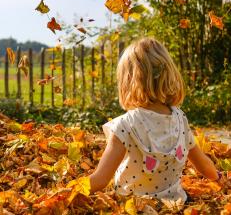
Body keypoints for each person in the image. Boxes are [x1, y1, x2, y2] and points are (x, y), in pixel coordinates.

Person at [89, 37, 220, 202]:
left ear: (128, 82)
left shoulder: (125, 125)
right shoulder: (180, 119)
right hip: (176, 203)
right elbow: (205, 167)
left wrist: (65, 192)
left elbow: (100, 179)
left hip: (133, 206)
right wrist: (219, 178)